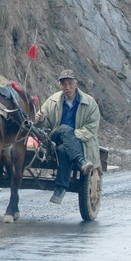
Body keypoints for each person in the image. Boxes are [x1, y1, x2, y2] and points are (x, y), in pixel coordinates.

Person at [35, 69, 100, 204]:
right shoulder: (52, 101)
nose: (67, 87)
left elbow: (91, 128)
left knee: (64, 150)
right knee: (64, 129)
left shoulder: (89, 102)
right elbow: (42, 124)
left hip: (79, 142)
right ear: (60, 86)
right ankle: (81, 162)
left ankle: (60, 189)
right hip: (55, 138)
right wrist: (41, 120)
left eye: (70, 83)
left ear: (76, 84)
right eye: (64, 84)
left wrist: (72, 136)